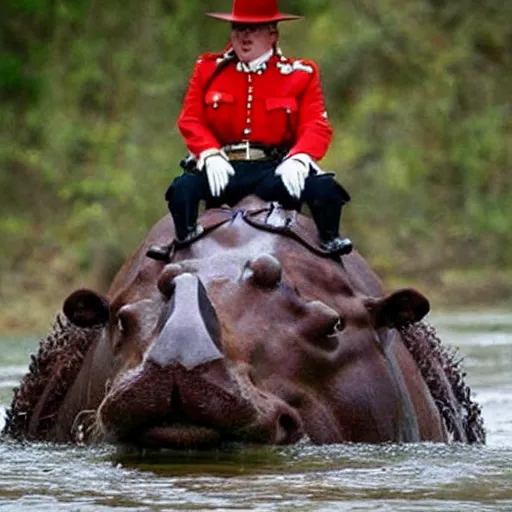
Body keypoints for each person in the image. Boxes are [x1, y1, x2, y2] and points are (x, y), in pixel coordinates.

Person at [147, 0, 353, 262]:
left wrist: (300, 158)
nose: (243, 38)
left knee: (326, 191)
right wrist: (208, 154)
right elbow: (191, 120)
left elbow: (316, 125)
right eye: (238, 29)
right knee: (181, 191)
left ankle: (330, 247)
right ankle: (183, 245)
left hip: (274, 169)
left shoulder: (301, 74)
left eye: (253, 30)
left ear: (273, 34)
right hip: (225, 167)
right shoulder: (208, 69)